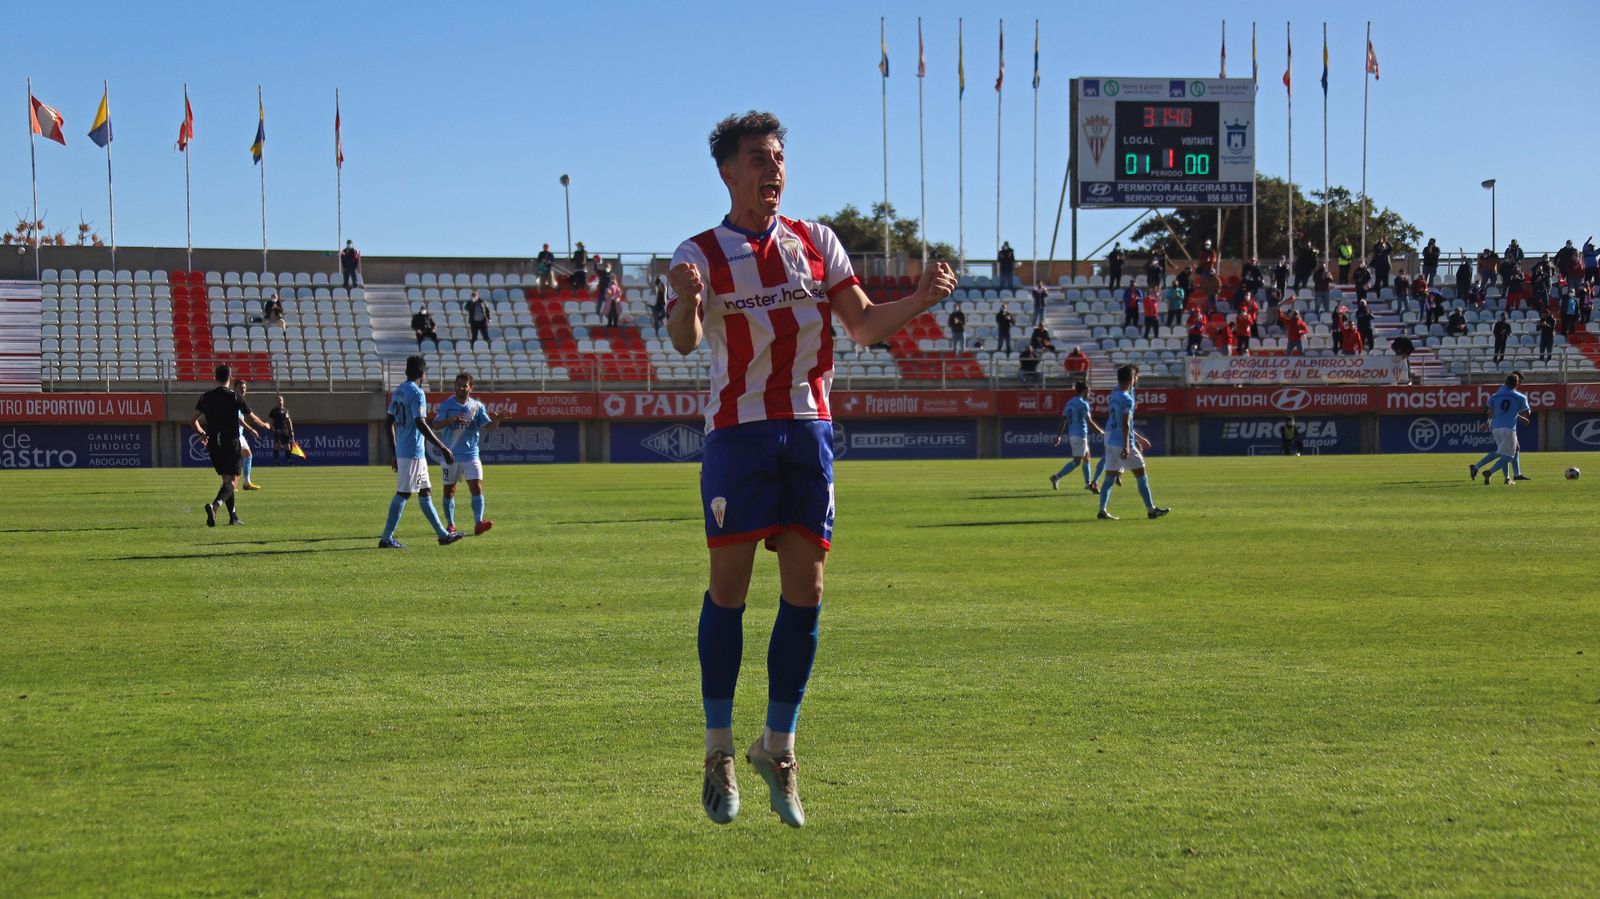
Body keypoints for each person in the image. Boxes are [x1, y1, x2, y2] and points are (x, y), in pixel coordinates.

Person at [665, 110, 957, 828]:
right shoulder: (698, 251)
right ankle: (717, 750)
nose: (774, 169)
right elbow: (684, 339)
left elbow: (859, 325)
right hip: (738, 434)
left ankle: (779, 746)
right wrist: (688, 302)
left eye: (780, 158)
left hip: (809, 426)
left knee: (809, 586)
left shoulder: (816, 241)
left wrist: (916, 301)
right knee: (728, 588)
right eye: (759, 159)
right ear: (728, 172)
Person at [379, 354, 464, 549]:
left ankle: (443, 535)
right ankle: (386, 538)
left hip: (408, 451)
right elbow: (420, 422)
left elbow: (387, 423)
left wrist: (393, 451)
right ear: (422, 373)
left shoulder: (398, 391)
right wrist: (442, 447)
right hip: (412, 451)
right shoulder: (417, 394)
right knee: (403, 493)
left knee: (425, 492)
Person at [189, 365, 273, 527]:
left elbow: (192, 420)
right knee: (232, 482)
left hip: (214, 444)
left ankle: (233, 516)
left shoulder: (206, 397)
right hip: (231, 442)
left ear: (215, 378)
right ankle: (214, 506)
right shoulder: (235, 396)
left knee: (226, 480)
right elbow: (251, 417)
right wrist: (264, 425)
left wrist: (202, 434)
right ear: (230, 378)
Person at [1096, 365, 1168, 521]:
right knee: (1141, 474)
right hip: (1121, 441)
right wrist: (1127, 445)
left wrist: (1138, 439)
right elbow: (1126, 424)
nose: (1137, 379)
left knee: (1109, 478)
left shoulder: (1115, 394)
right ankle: (1151, 510)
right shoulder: (1127, 399)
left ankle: (1102, 510)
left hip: (1110, 441)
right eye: (1136, 377)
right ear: (1131, 379)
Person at [433, 371, 499, 536]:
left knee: (477, 488)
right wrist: (451, 420)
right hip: (451, 455)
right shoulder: (447, 405)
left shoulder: (477, 406)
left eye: (464, 385)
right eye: (458, 385)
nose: (461, 388)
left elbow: (488, 427)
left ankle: (478, 523)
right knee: (449, 490)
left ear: (471, 388)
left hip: (471, 454)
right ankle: (450, 525)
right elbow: (435, 425)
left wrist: (498, 420)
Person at [1473, 373, 1531, 486]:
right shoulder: (1520, 396)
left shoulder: (1496, 395)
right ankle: (1487, 471)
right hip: (1509, 427)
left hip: (1495, 427)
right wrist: (1523, 415)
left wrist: (1488, 423)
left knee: (1505, 452)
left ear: (1506, 382)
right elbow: (1527, 411)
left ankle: (1508, 478)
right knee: (1508, 455)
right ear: (1517, 383)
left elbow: (1487, 409)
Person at [1050, 380, 1104, 494]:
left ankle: (1088, 483)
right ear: (1084, 391)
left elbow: (1063, 420)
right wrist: (1101, 432)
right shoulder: (1083, 404)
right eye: (1088, 391)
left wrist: (1059, 436)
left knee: (1087, 457)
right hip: (1079, 435)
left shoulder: (1069, 403)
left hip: (1073, 434)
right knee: (1077, 461)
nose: (1089, 394)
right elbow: (1089, 422)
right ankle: (1057, 477)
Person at [234, 380, 263, 490]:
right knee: (238, 458)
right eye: (241, 387)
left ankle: (245, 483)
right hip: (234, 434)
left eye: (244, 388)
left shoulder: (240, 401)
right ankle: (231, 485)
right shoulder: (234, 399)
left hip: (239, 434)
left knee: (246, 455)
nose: (243, 389)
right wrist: (251, 429)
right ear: (235, 388)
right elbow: (238, 419)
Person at [268, 393, 296, 465]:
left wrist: (291, 431)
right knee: (277, 446)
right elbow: (271, 422)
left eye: (281, 400)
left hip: (285, 431)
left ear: (283, 401)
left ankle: (289, 461)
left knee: (287, 446)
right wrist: (274, 430)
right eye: (278, 400)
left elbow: (289, 421)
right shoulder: (274, 411)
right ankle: (276, 462)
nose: (279, 401)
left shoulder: (285, 410)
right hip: (277, 430)